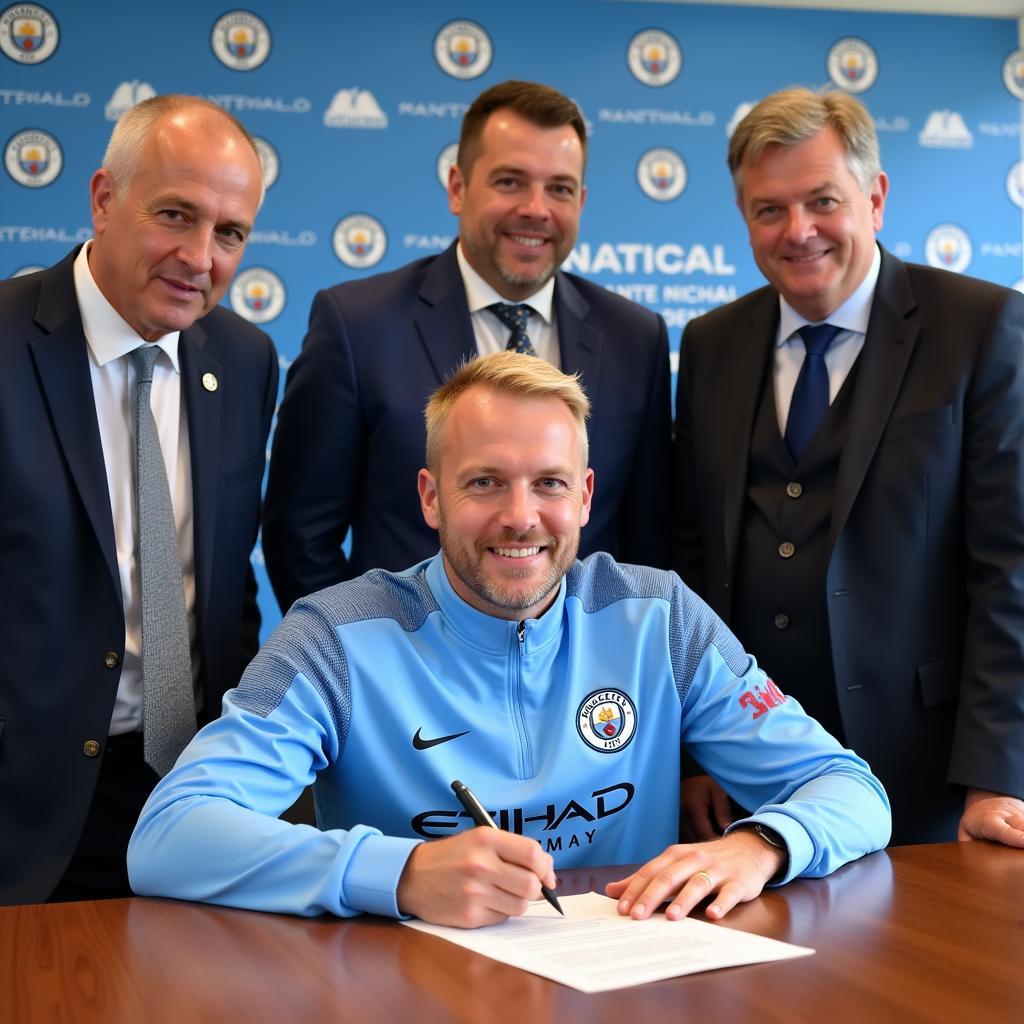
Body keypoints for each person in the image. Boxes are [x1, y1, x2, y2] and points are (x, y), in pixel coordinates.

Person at [129, 351, 889, 927]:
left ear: (585, 497)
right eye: (485, 482)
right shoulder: (333, 638)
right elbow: (167, 835)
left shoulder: (663, 617)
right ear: (431, 497)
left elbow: (853, 790)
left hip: (628, 982)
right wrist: (399, 873)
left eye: (550, 484)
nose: (521, 517)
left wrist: (763, 844)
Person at [673, 87, 1024, 848]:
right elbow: (690, 564)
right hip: (745, 769)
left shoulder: (981, 327)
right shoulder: (710, 344)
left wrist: (997, 774)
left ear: (875, 197)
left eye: (822, 201)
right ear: (743, 218)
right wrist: (690, 752)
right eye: (769, 209)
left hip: (928, 774)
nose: (798, 232)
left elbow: (1012, 569)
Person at [0, 94, 279, 904]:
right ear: (103, 199)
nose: (200, 256)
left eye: (229, 233)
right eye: (175, 215)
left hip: (191, 799)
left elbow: (223, 589)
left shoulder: (246, 357)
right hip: (24, 808)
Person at [262, 80, 671, 614]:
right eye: (510, 181)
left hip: (581, 685)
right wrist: (362, 659)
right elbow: (301, 535)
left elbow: (648, 543)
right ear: (458, 187)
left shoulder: (635, 338)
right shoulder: (357, 325)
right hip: (402, 679)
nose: (536, 209)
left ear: (582, 201)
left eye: (560, 189)